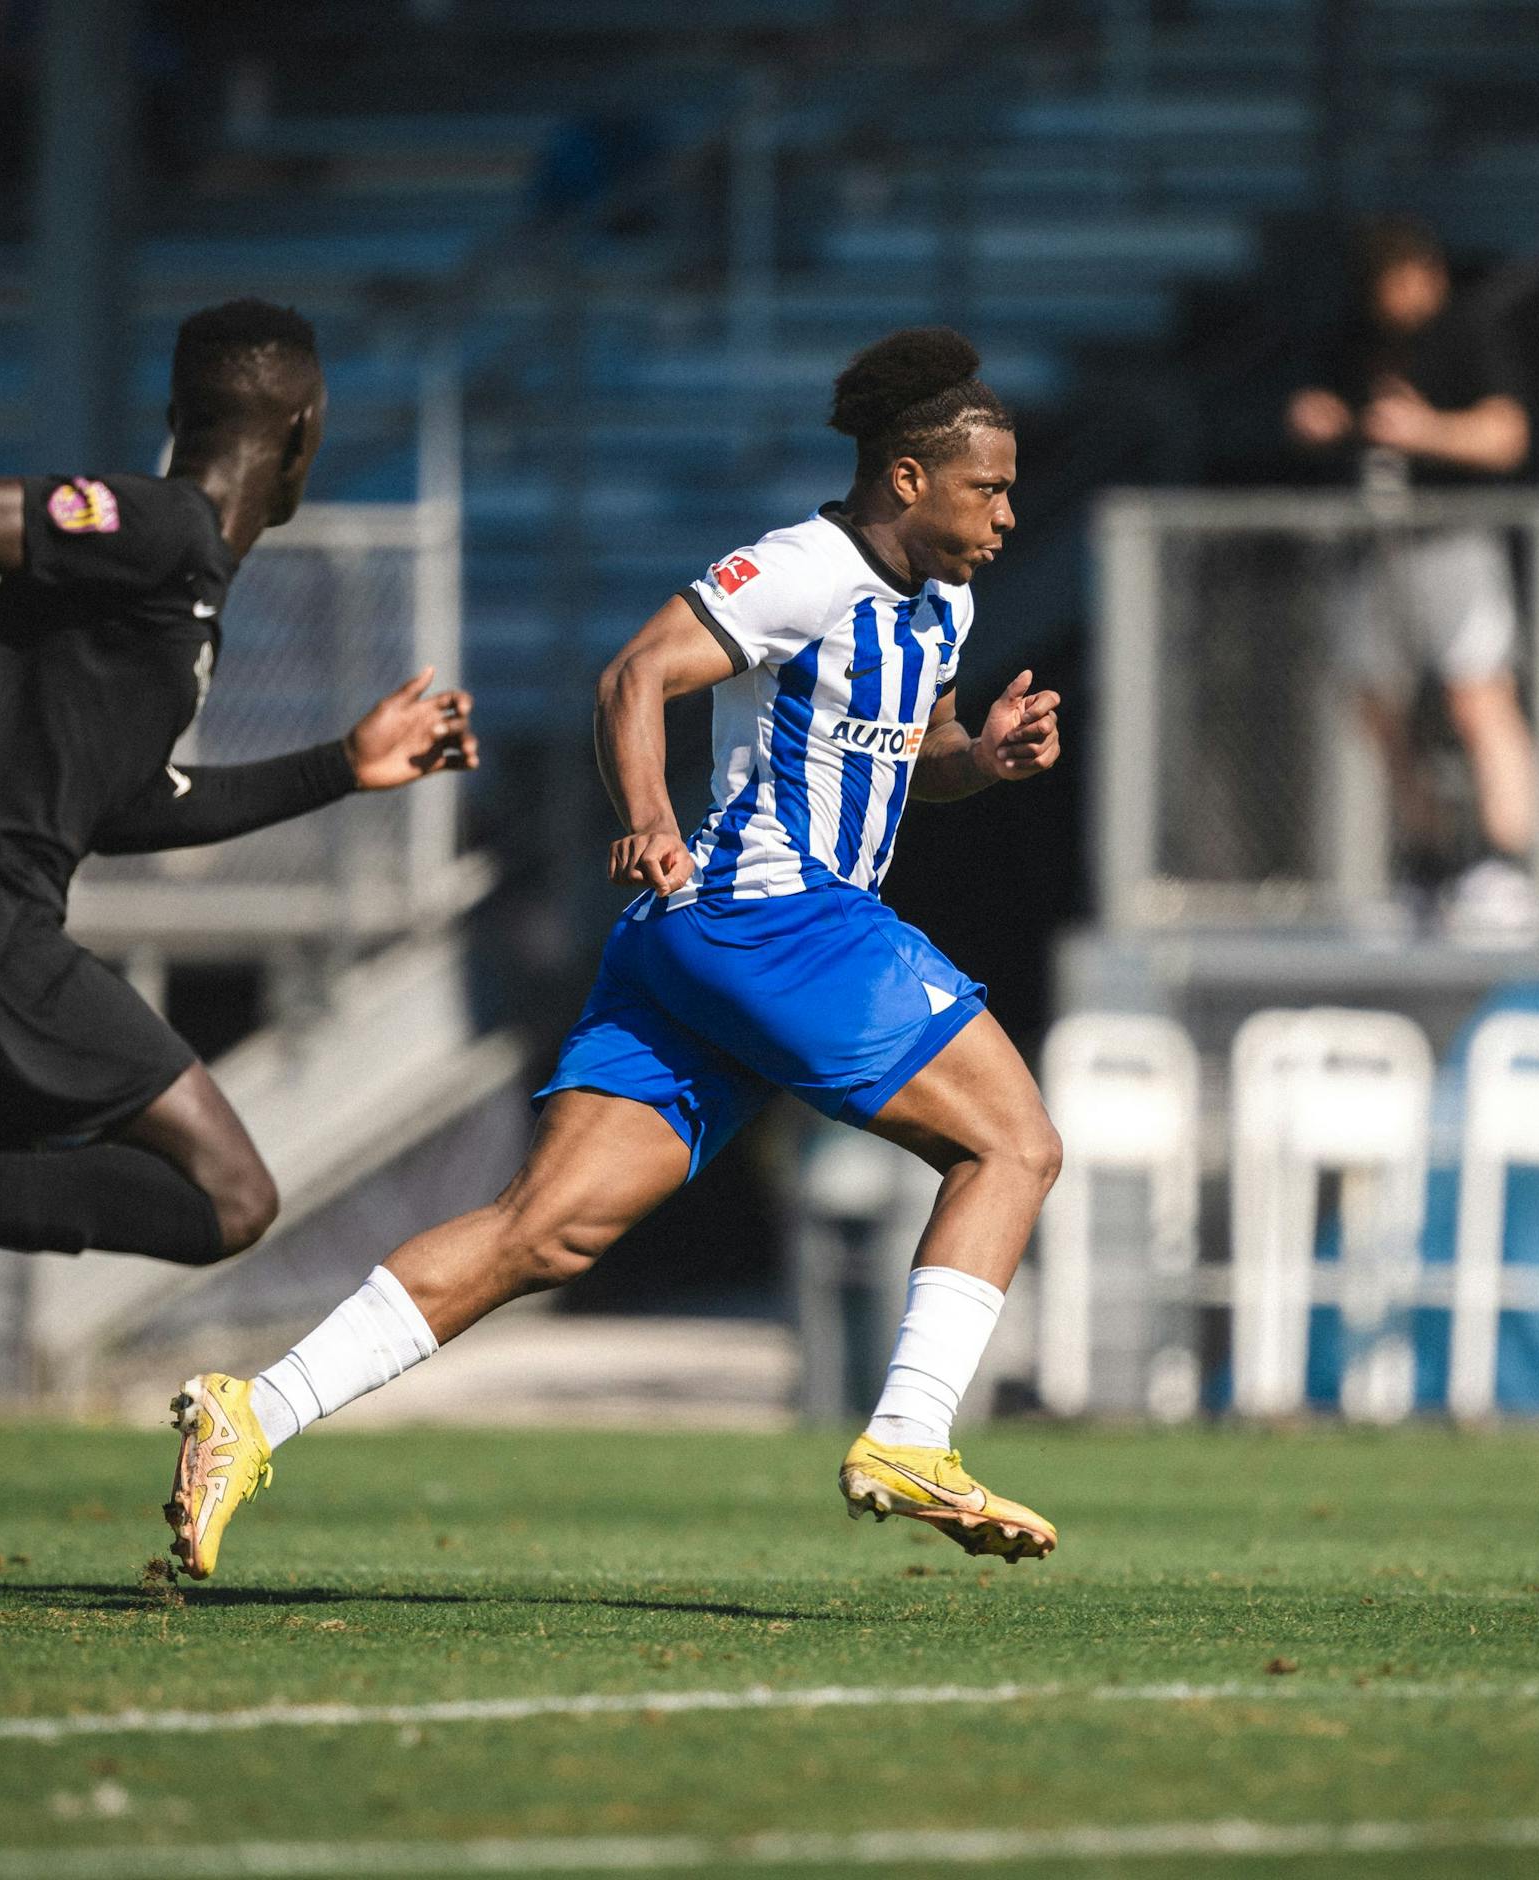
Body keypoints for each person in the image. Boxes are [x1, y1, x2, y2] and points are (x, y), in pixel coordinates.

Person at [164, 327, 1066, 1580]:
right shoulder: (801, 570)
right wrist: (647, 815)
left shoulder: (944, 602)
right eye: (989, 487)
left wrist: (983, 757)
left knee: (544, 1230)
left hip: (702, 948)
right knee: (1013, 1142)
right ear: (906, 479)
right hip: (772, 913)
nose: (1010, 512)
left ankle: (249, 1411)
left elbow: (900, 755)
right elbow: (636, 673)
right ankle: (909, 1430)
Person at [0, 298, 478, 1319]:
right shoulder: (161, 526)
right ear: (308, 430)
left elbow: (128, 807)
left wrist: (341, 765)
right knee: (231, 1192)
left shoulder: (180, 588)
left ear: (177, 408)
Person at [1286, 217, 1539, 939]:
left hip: (1454, 543)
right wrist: (1323, 423)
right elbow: (1315, 414)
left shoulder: (1468, 330)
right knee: (1377, 712)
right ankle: (1426, 863)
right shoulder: (1354, 337)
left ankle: (1505, 864)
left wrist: (1423, 430)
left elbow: (1507, 436)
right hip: (1372, 549)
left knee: (1478, 697)